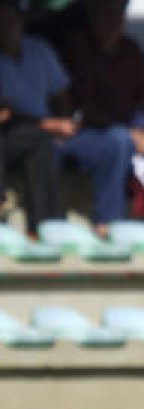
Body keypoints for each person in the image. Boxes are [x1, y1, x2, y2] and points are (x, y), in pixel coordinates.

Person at [59, 0, 144, 234]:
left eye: (119, 14)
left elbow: (143, 99)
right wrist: (131, 132)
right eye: (107, 14)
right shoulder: (77, 48)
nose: (113, 20)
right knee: (119, 139)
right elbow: (80, 106)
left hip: (132, 129)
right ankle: (111, 225)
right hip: (88, 133)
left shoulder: (130, 49)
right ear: (93, 15)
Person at [0, 0, 66, 237]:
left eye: (10, 21)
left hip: (21, 134)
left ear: (21, 23)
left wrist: (64, 122)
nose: (6, 27)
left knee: (39, 140)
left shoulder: (38, 50)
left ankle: (46, 227)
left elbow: (61, 94)